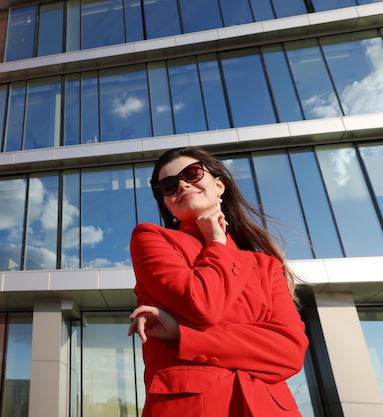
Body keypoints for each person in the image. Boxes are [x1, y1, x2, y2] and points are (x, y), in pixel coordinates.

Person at [127, 147, 309, 417]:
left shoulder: (266, 265)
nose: (182, 184)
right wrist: (216, 244)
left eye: (192, 173)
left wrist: (182, 334)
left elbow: (290, 350)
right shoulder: (150, 239)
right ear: (167, 203)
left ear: (219, 185)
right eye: (168, 184)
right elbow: (201, 304)